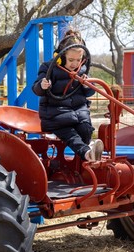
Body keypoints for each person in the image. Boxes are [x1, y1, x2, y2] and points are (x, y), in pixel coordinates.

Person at [32, 28, 103, 161]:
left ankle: (85, 157)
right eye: (71, 60)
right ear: (61, 57)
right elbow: (36, 89)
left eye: (79, 59)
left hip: (78, 113)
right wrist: (42, 85)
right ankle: (87, 154)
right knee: (71, 135)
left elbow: (89, 92)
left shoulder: (82, 69)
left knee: (86, 129)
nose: (75, 64)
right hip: (55, 115)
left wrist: (86, 86)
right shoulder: (48, 68)